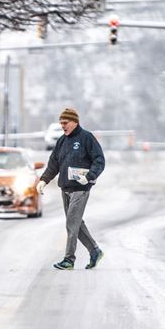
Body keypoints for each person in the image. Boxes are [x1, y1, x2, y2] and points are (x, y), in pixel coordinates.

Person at [36, 108, 105, 270]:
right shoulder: (61, 141)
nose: (63, 126)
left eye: (65, 123)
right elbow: (54, 163)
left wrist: (88, 177)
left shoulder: (86, 138)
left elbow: (99, 161)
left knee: (71, 223)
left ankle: (69, 260)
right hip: (65, 188)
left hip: (81, 188)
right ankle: (95, 251)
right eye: (61, 123)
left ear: (75, 122)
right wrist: (44, 180)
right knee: (76, 223)